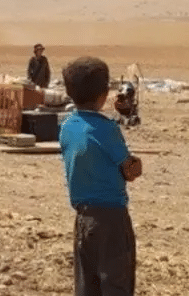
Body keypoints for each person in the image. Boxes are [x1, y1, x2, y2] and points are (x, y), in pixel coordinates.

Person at [59, 57, 142, 296]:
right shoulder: (106, 129)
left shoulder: (67, 127)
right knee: (116, 284)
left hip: (84, 218)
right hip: (112, 219)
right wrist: (137, 165)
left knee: (87, 286)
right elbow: (129, 170)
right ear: (103, 93)